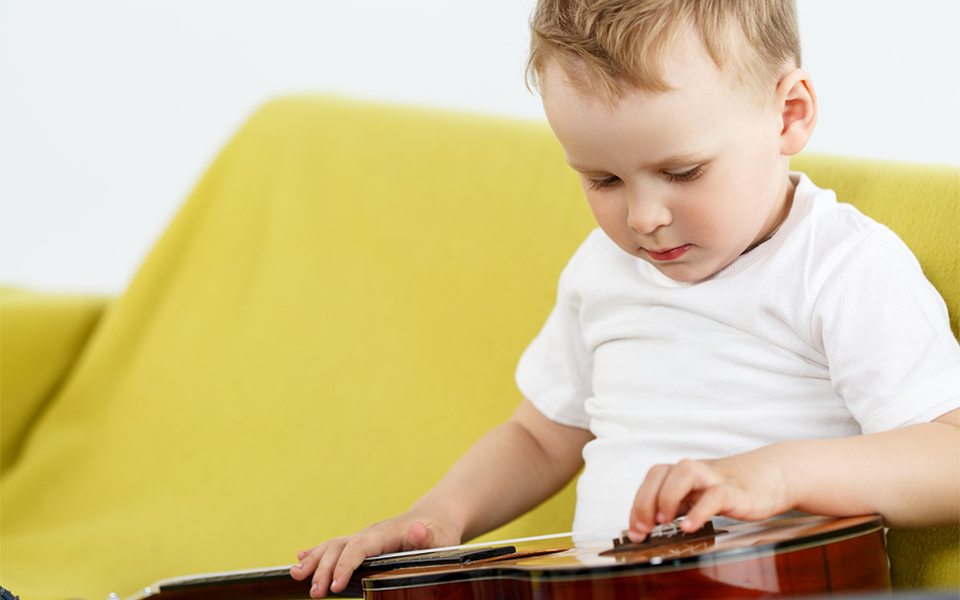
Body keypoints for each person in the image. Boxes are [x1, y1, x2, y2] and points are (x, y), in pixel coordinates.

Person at [291, 1, 960, 596]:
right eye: (602, 179)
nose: (642, 218)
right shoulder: (602, 269)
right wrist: (437, 516)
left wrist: (776, 477)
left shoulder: (838, 265)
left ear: (790, 114)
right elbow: (539, 435)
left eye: (682, 172)